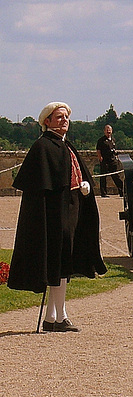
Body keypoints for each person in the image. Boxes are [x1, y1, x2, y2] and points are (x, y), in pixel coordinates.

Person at [7, 102, 107, 332]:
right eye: (59, 117)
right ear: (47, 122)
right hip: (53, 215)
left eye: (66, 117)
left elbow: (73, 172)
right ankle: (57, 317)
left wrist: (84, 185)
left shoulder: (65, 145)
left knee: (64, 263)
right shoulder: (43, 147)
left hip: (70, 209)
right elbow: (41, 187)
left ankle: (55, 316)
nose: (64, 121)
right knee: (58, 264)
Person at [96, 124, 123, 197]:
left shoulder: (113, 140)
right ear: (104, 131)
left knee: (116, 176)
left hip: (113, 161)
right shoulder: (101, 140)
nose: (108, 131)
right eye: (107, 130)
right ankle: (103, 193)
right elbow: (98, 150)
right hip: (105, 161)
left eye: (109, 130)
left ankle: (122, 191)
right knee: (103, 177)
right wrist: (100, 158)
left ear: (112, 131)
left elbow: (114, 149)